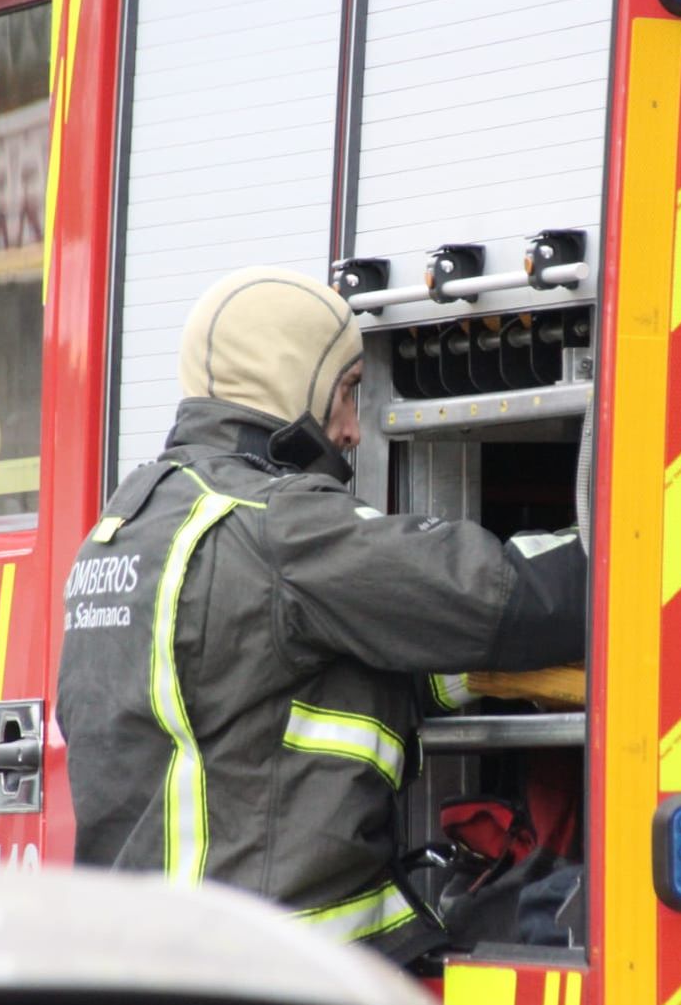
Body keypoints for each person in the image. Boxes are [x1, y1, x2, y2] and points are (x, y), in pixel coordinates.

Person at [55, 267, 587, 965]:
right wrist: (639, 544)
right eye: (346, 391)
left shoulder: (127, 527)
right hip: (273, 973)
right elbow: (499, 596)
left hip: (152, 966)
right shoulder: (276, 525)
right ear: (289, 384)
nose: (352, 430)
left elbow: (270, 692)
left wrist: (486, 677)